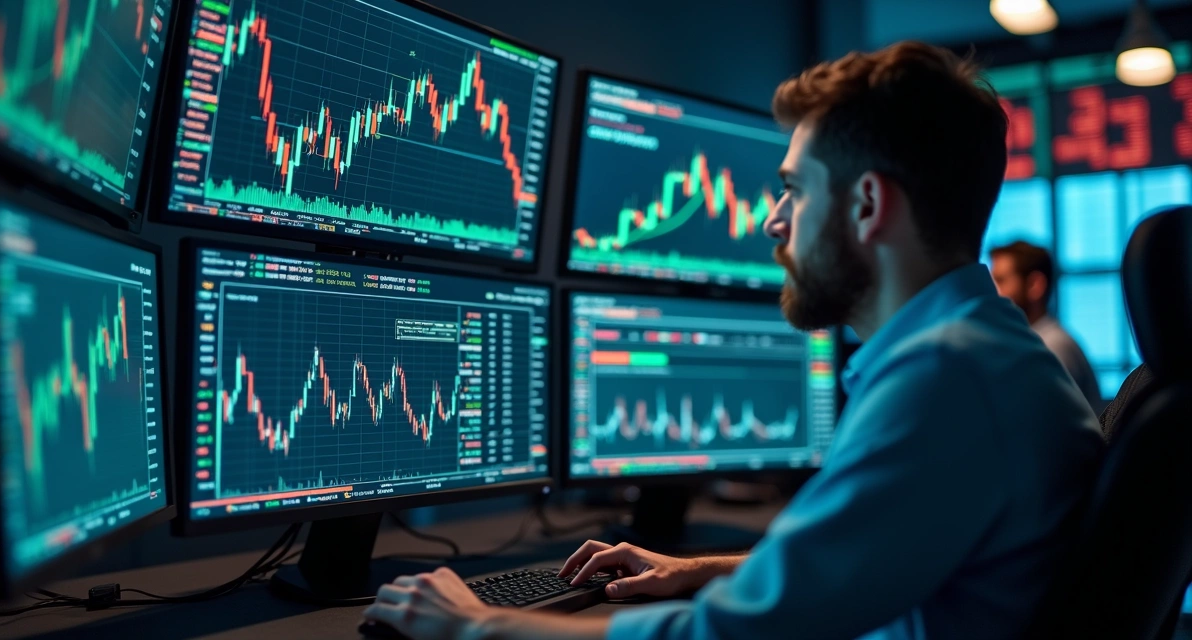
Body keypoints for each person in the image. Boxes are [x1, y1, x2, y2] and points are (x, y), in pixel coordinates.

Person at [361, 41, 1106, 640]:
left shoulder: (944, 379)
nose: (772, 222)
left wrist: (475, 625)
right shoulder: (986, 350)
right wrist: (703, 568)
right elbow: (871, 561)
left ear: (868, 205)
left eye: (794, 190)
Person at [989, 241, 1103, 412]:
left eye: (1001, 281)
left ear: (1035, 285)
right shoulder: (1031, 343)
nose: (993, 292)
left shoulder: (1052, 348)